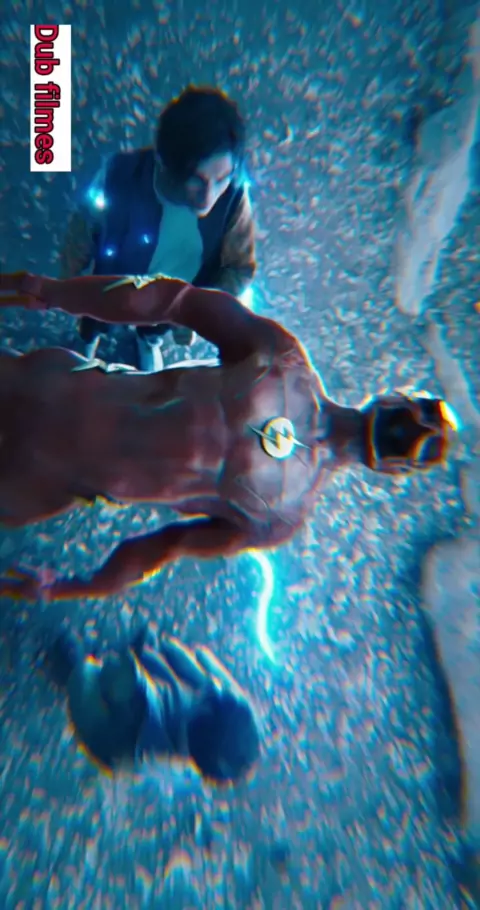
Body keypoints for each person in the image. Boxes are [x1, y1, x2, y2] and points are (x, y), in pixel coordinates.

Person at [0, 270, 458, 605]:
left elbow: (170, 300)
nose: (412, 430)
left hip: (45, 434)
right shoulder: (279, 511)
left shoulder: (282, 367)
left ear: (391, 399)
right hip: (44, 443)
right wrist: (66, 588)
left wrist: (56, 293)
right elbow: (172, 301)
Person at [59, 85, 256, 371]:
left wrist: (198, 309)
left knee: (155, 327)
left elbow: (239, 267)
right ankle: (87, 341)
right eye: (197, 180)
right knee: (95, 318)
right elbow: (83, 229)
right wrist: (69, 284)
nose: (209, 197)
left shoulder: (235, 198)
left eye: (221, 179)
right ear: (166, 163)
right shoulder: (119, 176)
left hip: (172, 299)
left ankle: (147, 341)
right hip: (113, 280)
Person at [45, 623, 260, 783]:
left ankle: (67, 662)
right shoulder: (208, 703)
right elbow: (195, 656)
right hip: (128, 718)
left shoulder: (146, 710)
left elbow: (192, 656)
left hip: (108, 721)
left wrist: (86, 669)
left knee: (91, 671)